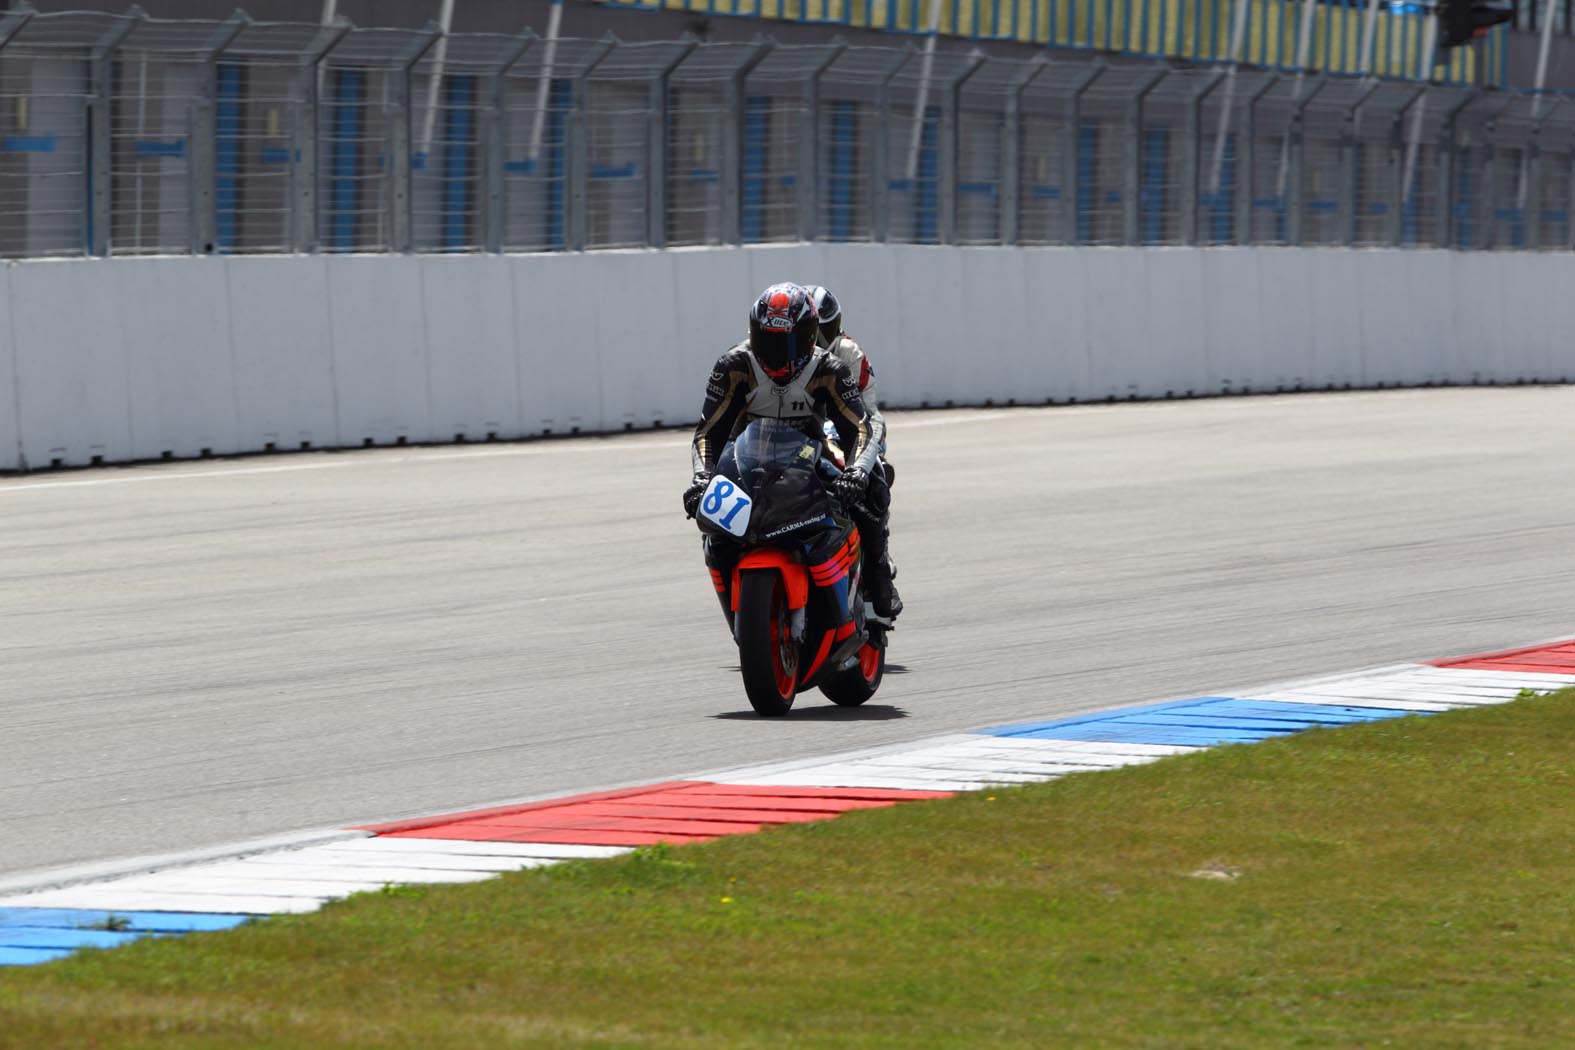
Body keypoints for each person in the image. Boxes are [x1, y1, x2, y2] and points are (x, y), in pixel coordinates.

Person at [683, 282, 900, 622]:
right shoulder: (734, 365)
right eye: (767, 340)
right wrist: (701, 477)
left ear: (810, 336)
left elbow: (861, 427)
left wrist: (857, 471)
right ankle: (744, 615)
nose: (776, 352)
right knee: (714, 527)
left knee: (871, 482)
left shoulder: (831, 368)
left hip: (812, 455)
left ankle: (877, 573)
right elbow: (708, 433)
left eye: (786, 342)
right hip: (746, 459)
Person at [806, 284, 901, 620]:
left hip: (853, 427)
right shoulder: (787, 356)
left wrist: (843, 441)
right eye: (812, 331)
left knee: (874, 475)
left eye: (824, 330)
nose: (818, 339)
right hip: (805, 433)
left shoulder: (850, 354)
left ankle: (879, 569)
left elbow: (868, 414)